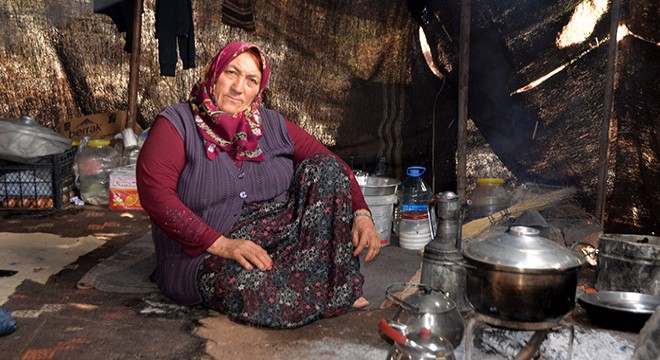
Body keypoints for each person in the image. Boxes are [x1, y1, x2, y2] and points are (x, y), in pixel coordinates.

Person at [136, 41, 381, 329]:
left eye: (251, 80)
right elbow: (156, 196)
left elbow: (332, 163)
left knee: (325, 169)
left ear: (259, 88)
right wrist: (223, 245)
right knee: (265, 298)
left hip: (281, 240)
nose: (238, 88)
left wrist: (362, 213)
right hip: (208, 251)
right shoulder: (177, 123)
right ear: (213, 73)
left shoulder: (270, 123)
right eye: (231, 73)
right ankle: (326, 287)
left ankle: (323, 284)